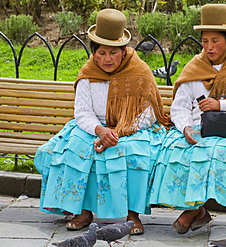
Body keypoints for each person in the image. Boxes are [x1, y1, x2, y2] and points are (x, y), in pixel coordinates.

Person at [34, 8, 170, 234]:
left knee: (133, 152)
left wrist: (117, 132)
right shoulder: (88, 73)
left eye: (113, 53)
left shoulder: (141, 72)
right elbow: (82, 113)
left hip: (133, 128)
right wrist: (99, 130)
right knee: (75, 149)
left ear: (123, 52)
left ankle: (132, 215)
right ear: (94, 53)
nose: (107, 59)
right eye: (102, 53)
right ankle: (82, 210)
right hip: (94, 127)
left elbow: (148, 114)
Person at [148, 4, 226, 234]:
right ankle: (199, 210)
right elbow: (180, 106)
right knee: (176, 149)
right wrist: (185, 128)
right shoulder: (195, 66)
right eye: (205, 41)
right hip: (197, 129)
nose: (209, 47)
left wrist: (221, 104)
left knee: (214, 151)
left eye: (215, 41)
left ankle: (192, 211)